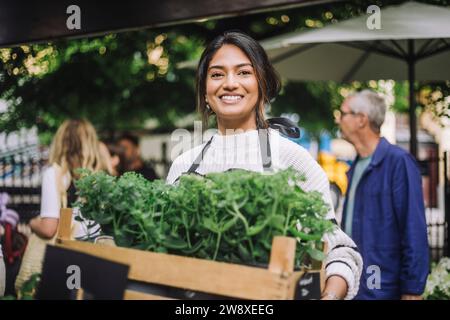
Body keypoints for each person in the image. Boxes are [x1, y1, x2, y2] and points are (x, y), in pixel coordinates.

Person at [166, 31, 363, 300]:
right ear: (204, 90)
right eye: (217, 74)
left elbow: (339, 251)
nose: (230, 83)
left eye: (244, 72)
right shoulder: (184, 166)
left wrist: (329, 296)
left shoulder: (293, 160)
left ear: (263, 84)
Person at [336, 90, 429, 300]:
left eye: (343, 113)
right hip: (357, 284)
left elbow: (414, 228)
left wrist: (413, 289)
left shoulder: (398, 162)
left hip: (384, 288)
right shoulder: (357, 164)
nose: (339, 119)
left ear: (361, 120)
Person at [29, 119, 111, 241]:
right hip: (99, 250)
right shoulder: (102, 176)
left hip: (69, 253)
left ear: (61, 142)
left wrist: (33, 223)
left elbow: (48, 229)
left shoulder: (55, 174)